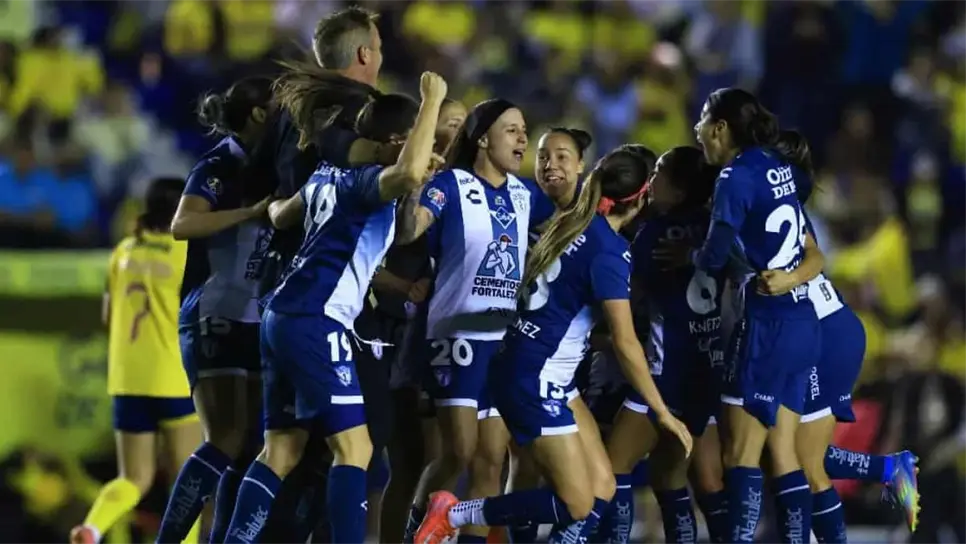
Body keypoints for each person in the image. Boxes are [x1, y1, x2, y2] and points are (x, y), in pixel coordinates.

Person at [413, 144, 692, 544]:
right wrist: (662, 413)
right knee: (576, 504)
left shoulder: (574, 223)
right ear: (641, 197)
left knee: (602, 487)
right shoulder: (609, 253)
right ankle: (453, 514)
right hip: (536, 378)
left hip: (540, 369)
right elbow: (626, 341)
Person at [222, 73, 448, 544]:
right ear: (397, 142)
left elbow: (282, 214)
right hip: (316, 319)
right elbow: (405, 174)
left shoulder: (327, 175)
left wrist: (416, 180)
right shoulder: (365, 183)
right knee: (356, 449)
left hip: (281, 314)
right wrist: (433, 99)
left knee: (281, 450)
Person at [395, 98, 558, 544]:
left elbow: (566, 229)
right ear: (483, 138)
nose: (523, 138)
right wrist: (415, 186)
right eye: (511, 130)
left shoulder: (526, 195)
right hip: (456, 336)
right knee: (460, 452)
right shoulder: (451, 184)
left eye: (524, 130)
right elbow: (408, 231)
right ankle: (415, 533)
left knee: (490, 462)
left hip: (502, 342)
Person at [253, 7, 387, 541]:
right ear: (365, 54)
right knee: (357, 448)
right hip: (329, 296)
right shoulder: (357, 111)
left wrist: (279, 212)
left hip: (280, 291)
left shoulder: (292, 108)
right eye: (379, 47)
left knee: (283, 447)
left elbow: (268, 193)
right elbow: (364, 171)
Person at [758, 130, 921, 539]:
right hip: (816, 333)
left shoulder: (774, 213)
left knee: (799, 458)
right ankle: (889, 469)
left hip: (822, 337)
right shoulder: (786, 212)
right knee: (790, 452)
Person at [677, 88, 821, 543]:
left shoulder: (734, 177)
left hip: (765, 324)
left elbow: (714, 255)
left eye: (703, 120)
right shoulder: (779, 166)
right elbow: (807, 241)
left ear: (720, 127)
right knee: (784, 455)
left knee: (740, 455)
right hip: (803, 320)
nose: (697, 130)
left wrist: (689, 255)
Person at [156, 77, 275, 544]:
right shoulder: (221, 163)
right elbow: (183, 223)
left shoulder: (272, 162)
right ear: (260, 114)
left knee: (248, 446)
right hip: (215, 310)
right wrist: (249, 212)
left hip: (254, 315)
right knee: (225, 437)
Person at [598, 146, 728, 544]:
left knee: (612, 469)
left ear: (680, 188)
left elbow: (626, 298)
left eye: (659, 173)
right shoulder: (714, 228)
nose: (651, 181)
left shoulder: (655, 235)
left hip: (665, 374)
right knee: (671, 477)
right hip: (706, 370)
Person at [70, 178, 203, 544]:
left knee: (133, 478)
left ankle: (92, 527)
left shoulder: (124, 250)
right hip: (173, 377)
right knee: (187, 479)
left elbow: (108, 316)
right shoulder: (188, 253)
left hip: (126, 378)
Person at [379, 97, 467, 544]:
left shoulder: (470, 187)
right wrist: (403, 286)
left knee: (450, 458)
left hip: (448, 337)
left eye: (465, 124)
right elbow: (370, 257)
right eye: (450, 122)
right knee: (413, 462)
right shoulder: (409, 181)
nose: (458, 131)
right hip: (400, 337)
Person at [503, 126, 591, 544]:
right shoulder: (522, 203)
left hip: (567, 366)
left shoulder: (594, 221)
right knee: (518, 462)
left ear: (581, 166)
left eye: (561, 157)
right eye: (542, 157)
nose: (549, 165)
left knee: (592, 486)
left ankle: (457, 514)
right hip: (520, 357)